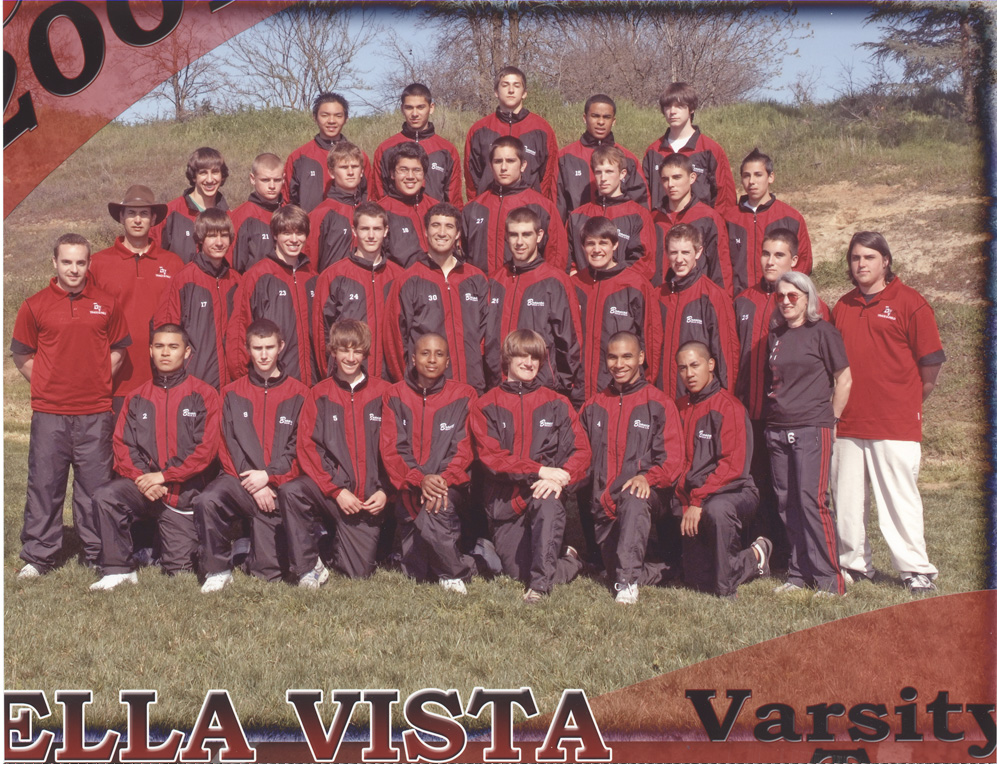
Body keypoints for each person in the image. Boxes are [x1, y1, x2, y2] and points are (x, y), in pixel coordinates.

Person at [831, 231, 946, 594]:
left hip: (894, 423)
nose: (861, 264)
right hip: (848, 422)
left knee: (899, 499)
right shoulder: (842, 306)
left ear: (886, 261)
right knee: (847, 501)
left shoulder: (910, 302)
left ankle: (915, 569)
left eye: (869, 257)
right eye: (855, 258)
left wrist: (906, 401)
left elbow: (930, 369)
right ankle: (854, 564)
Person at [12, 233, 131, 578]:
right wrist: (49, 383)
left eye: (81, 262)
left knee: (94, 487)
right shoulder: (35, 305)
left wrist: (95, 381)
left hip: (94, 412)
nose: (74, 269)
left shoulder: (106, 304)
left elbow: (118, 351)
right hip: (50, 413)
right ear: (54, 263)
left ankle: (95, 552)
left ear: (89, 264)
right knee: (45, 484)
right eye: (67, 262)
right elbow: (22, 354)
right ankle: (38, 555)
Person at [90, 324, 221, 590]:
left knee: (179, 571)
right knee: (105, 496)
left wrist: (165, 476)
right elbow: (123, 446)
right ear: (150, 351)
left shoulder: (204, 395)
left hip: (182, 494)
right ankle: (119, 569)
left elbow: (205, 450)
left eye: (173, 347)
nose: (165, 353)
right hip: (145, 488)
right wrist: (143, 479)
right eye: (159, 346)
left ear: (187, 353)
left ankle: (166, 549)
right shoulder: (136, 397)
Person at [471, 330, 589, 602]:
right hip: (506, 505)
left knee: (546, 499)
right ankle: (571, 560)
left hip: (543, 495)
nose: (528, 362)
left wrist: (559, 478)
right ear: (507, 359)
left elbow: (582, 451)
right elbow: (492, 458)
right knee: (517, 572)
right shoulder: (486, 404)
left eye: (535, 357)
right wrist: (539, 470)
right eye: (521, 355)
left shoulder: (557, 403)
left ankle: (539, 590)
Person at [734, 229, 828, 566]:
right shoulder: (743, 300)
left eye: (778, 255)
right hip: (749, 413)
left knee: (793, 491)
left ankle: (798, 557)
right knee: (757, 486)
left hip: (792, 415)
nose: (770, 261)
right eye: (765, 254)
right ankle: (760, 552)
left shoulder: (811, 306)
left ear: (795, 260)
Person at [194, 319, 309, 592]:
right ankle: (218, 569)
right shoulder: (231, 393)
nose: (264, 354)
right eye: (257, 348)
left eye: (270, 347)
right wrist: (253, 483)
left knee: (268, 575)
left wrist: (269, 477)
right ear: (248, 349)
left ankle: (251, 549)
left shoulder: (301, 394)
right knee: (208, 499)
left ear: (281, 346)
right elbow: (226, 444)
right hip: (241, 482)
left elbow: (300, 447)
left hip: (280, 487)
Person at [281, 320, 392, 585]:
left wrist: (387, 490)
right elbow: (307, 447)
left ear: (365, 353)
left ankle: (326, 541)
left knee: (357, 573)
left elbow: (397, 448)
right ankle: (308, 567)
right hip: (333, 493)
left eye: (357, 351)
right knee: (291, 491)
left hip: (368, 499)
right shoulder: (319, 394)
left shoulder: (385, 393)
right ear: (333, 352)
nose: (351, 358)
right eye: (344, 350)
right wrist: (336, 491)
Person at [579, 332, 685, 603]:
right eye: (613, 357)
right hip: (605, 506)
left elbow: (673, 459)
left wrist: (648, 477)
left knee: (634, 495)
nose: (619, 364)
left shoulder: (659, 403)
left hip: (647, 497)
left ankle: (627, 586)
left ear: (641, 357)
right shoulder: (594, 405)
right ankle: (672, 569)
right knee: (612, 569)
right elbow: (578, 455)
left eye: (627, 356)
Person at [765, 273, 851, 596]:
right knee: (788, 503)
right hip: (778, 429)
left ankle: (830, 580)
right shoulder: (776, 336)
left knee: (811, 501)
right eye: (781, 296)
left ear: (808, 298)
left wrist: (833, 418)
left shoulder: (823, 333)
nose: (786, 302)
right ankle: (799, 574)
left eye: (793, 296)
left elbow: (844, 378)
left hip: (812, 427)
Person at [380, 334, 480, 594]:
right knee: (416, 572)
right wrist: (418, 479)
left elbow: (465, 449)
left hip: (449, 487)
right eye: (425, 353)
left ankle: (454, 573)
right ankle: (472, 560)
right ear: (413, 358)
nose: (432, 359)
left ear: (447, 361)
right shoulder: (394, 395)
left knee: (437, 509)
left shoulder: (464, 395)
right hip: (410, 487)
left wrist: (442, 481)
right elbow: (392, 449)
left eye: (439, 354)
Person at [674, 341, 770, 599]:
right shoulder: (680, 407)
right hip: (696, 495)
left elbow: (733, 467)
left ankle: (728, 588)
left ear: (711, 365)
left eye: (695, 365)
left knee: (717, 511)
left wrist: (698, 499)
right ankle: (754, 558)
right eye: (683, 368)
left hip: (735, 490)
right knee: (695, 580)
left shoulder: (730, 407)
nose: (689, 374)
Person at [384, 203, 496, 394]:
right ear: (425, 232)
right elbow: (395, 339)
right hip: (426, 391)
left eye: (449, 226)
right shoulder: (409, 280)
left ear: (458, 234)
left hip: (472, 386)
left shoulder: (475, 278)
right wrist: (408, 384)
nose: (442, 233)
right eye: (436, 226)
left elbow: (488, 336)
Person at [90, 185, 184, 409]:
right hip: (114, 380)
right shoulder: (98, 263)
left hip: (161, 378)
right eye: (131, 213)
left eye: (144, 214)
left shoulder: (173, 263)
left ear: (153, 218)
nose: (138, 220)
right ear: (121, 217)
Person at [487, 207, 584, 408]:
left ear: (539, 236)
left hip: (542, 392)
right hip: (500, 390)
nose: (519, 242)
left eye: (526, 234)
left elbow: (570, 341)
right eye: (514, 235)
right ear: (506, 237)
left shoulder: (554, 281)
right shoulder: (495, 281)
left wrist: (559, 387)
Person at [226, 204, 318, 386]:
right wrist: (246, 379)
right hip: (271, 384)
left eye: (299, 233)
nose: (294, 239)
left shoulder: (313, 278)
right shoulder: (257, 276)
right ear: (275, 235)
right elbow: (238, 331)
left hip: (310, 384)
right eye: (286, 233)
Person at [571, 216, 659, 400]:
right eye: (590, 244)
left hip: (620, 394)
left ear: (615, 245)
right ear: (582, 247)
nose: (596, 250)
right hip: (578, 393)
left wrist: (645, 384)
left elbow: (651, 339)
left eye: (603, 243)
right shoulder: (574, 285)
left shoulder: (635, 285)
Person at [312, 202, 402, 380]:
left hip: (388, 379)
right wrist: (331, 374)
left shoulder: (399, 276)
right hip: (347, 378)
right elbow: (321, 333)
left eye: (376, 229)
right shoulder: (333, 276)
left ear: (385, 231)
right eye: (364, 229)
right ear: (354, 231)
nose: (370, 235)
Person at [153, 208, 241, 389]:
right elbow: (166, 330)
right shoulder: (184, 280)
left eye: (224, 236)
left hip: (233, 384)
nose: (219, 242)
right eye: (212, 236)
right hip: (195, 382)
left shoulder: (236, 281)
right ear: (200, 239)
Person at [461, 135, 568, 274]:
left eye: (510, 161)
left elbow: (556, 256)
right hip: (482, 290)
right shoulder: (472, 208)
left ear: (523, 165)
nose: (504, 167)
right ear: (490, 165)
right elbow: (461, 257)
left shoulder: (542, 207)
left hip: (527, 290)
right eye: (498, 161)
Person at [655, 224, 738, 399]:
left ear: (698, 253)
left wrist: (725, 400)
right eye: (673, 252)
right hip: (663, 399)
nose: (679, 259)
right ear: (666, 254)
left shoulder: (713, 296)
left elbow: (726, 355)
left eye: (685, 252)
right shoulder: (657, 296)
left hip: (699, 399)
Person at [464, 66, 559, 202]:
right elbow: (472, 177)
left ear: (524, 93)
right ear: (496, 91)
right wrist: (478, 207)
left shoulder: (542, 129)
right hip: (490, 207)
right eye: (505, 85)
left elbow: (549, 176)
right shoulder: (479, 130)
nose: (511, 90)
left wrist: (539, 205)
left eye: (516, 85)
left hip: (529, 212)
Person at [726, 148, 813, 295]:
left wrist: (787, 292)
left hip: (780, 299)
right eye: (746, 176)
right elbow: (722, 266)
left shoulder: (791, 218)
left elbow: (803, 262)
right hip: (740, 301)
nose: (752, 181)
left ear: (771, 177)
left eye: (758, 175)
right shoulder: (728, 219)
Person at [642, 82, 736, 213]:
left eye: (679, 106)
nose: (672, 111)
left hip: (701, 229)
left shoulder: (710, 149)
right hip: (662, 227)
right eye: (668, 106)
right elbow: (644, 197)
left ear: (691, 109)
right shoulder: (654, 151)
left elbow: (725, 199)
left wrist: (715, 227)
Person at [566, 145, 656, 279]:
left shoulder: (638, 215)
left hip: (622, 293)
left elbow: (644, 262)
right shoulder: (576, 217)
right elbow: (567, 260)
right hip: (586, 291)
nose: (603, 178)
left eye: (609, 171)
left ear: (622, 174)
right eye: (598, 172)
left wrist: (614, 285)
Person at [556, 93, 648, 220]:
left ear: (613, 121)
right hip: (577, 233)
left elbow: (642, 206)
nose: (600, 122)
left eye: (606, 117)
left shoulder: (628, 159)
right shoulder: (566, 157)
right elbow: (558, 204)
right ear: (585, 117)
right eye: (595, 116)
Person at [651, 153, 732, 293]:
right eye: (665, 179)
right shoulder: (654, 218)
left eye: (677, 177)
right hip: (661, 298)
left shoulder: (709, 218)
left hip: (697, 300)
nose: (670, 184)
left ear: (692, 178)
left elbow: (721, 268)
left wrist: (721, 303)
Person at [371, 83, 462, 207]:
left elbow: (454, 200)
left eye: (420, 107)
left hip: (434, 222)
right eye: (409, 108)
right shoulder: (385, 149)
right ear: (402, 109)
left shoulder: (447, 150)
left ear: (431, 108)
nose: (414, 114)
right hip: (396, 222)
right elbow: (379, 198)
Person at [284, 92, 371, 212]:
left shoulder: (359, 156)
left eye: (338, 116)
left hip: (350, 226)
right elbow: (287, 201)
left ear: (346, 119)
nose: (331, 121)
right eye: (325, 115)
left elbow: (369, 196)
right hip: (309, 227)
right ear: (315, 117)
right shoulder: (299, 157)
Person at [152, 147, 230, 263]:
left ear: (222, 176)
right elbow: (151, 255)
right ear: (193, 176)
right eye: (203, 173)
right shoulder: (171, 213)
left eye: (215, 172)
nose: (209, 179)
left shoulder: (229, 216)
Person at [378, 141, 441, 268]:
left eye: (417, 170)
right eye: (403, 170)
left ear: (424, 174)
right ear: (392, 173)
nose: (410, 176)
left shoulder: (437, 208)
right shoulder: (379, 211)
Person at [306, 140, 366, 272]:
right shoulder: (320, 214)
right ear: (332, 173)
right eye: (344, 167)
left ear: (361, 171)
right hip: (332, 288)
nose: (350, 172)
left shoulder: (370, 212)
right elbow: (310, 263)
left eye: (355, 167)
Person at [228, 153, 284, 273]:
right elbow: (232, 267)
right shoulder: (241, 216)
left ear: (284, 178)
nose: (272, 186)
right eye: (265, 180)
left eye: (277, 180)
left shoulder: (290, 213)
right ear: (253, 179)